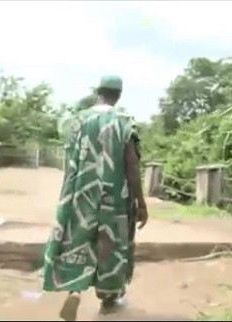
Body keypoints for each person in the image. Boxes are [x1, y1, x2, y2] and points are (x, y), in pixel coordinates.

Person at [42, 75, 148, 321]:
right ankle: (109, 299)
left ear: (98, 92)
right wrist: (140, 203)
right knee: (112, 245)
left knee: (78, 240)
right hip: (115, 198)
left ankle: (75, 289)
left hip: (82, 194)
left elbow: (71, 162)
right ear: (118, 95)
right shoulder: (124, 122)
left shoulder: (78, 121)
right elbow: (131, 165)